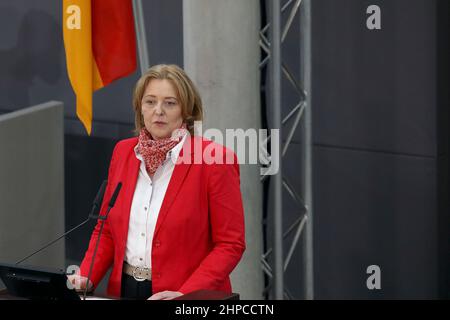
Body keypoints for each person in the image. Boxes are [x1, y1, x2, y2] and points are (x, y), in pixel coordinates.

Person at [69, 64, 246, 300]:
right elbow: (107, 229)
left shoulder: (215, 160)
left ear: (187, 110)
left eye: (170, 103)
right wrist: (86, 275)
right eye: (150, 101)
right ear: (140, 108)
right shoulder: (124, 152)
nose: (158, 111)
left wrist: (185, 294)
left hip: (185, 294)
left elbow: (230, 244)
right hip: (125, 290)